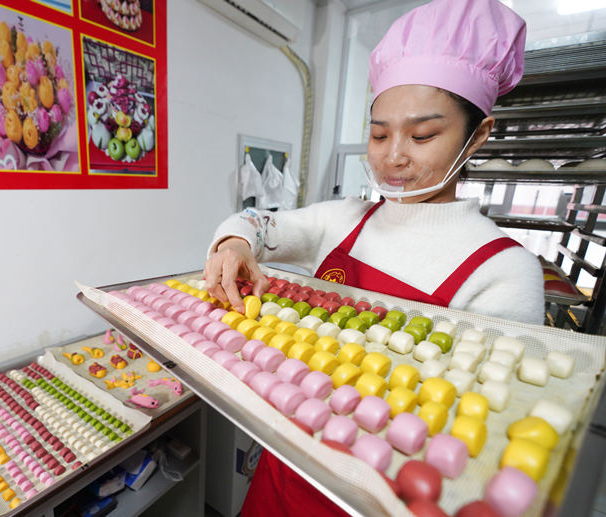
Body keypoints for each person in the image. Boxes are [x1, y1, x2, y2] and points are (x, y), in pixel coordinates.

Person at [202, 0, 543, 515]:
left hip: (383, 494)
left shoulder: (502, 271)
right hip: (285, 465)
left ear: (477, 136)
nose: (392, 156)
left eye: (423, 135)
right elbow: (256, 221)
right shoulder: (343, 219)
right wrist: (235, 243)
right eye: (379, 133)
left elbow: (488, 432)